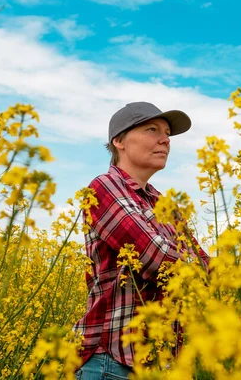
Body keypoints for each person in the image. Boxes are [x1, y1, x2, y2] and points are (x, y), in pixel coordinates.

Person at [73, 102, 210, 379]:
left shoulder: (166, 204)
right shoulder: (102, 188)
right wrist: (194, 265)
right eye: (152, 130)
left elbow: (207, 267)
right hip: (113, 364)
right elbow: (156, 258)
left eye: (167, 133)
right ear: (119, 141)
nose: (165, 140)